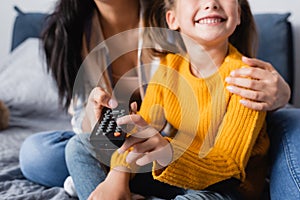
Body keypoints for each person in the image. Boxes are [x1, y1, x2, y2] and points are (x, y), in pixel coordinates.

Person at [18, 0, 298, 198]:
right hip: (169, 166)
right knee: (77, 148)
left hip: (222, 185)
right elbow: (141, 128)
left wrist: (165, 155)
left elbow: (228, 168)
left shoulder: (247, 80)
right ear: (171, 19)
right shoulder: (170, 67)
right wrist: (117, 176)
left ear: (239, 14)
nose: (211, 2)